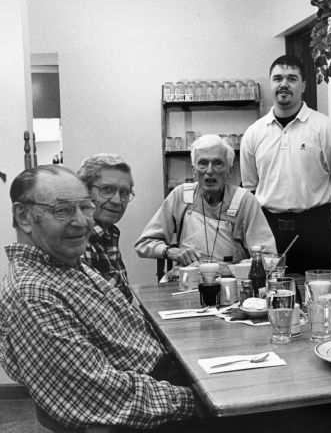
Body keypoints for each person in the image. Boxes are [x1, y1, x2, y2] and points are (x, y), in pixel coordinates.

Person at [0, 165, 198, 430]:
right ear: (23, 217)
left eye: (85, 207)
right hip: (155, 408)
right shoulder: (33, 293)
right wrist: (200, 400)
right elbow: (99, 394)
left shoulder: (65, 264)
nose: (83, 222)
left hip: (161, 383)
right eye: (62, 210)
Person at [240, 54, 331, 274]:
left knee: (318, 295)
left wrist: (317, 214)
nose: (284, 84)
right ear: (270, 84)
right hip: (268, 229)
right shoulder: (254, 133)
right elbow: (250, 187)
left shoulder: (326, 128)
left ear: (303, 85)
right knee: (267, 294)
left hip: (316, 230)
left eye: (292, 78)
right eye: (278, 78)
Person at [136, 134, 275, 266]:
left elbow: (268, 258)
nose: (209, 170)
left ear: (230, 170)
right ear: (194, 170)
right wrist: (171, 251)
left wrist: (232, 269)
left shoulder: (245, 201)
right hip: (187, 281)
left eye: (218, 163)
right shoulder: (181, 196)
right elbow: (144, 244)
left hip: (230, 282)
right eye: (203, 163)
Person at [77, 153, 134, 302]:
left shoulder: (108, 233)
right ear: (84, 191)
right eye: (107, 189)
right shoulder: (78, 240)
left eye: (124, 193)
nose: (117, 201)